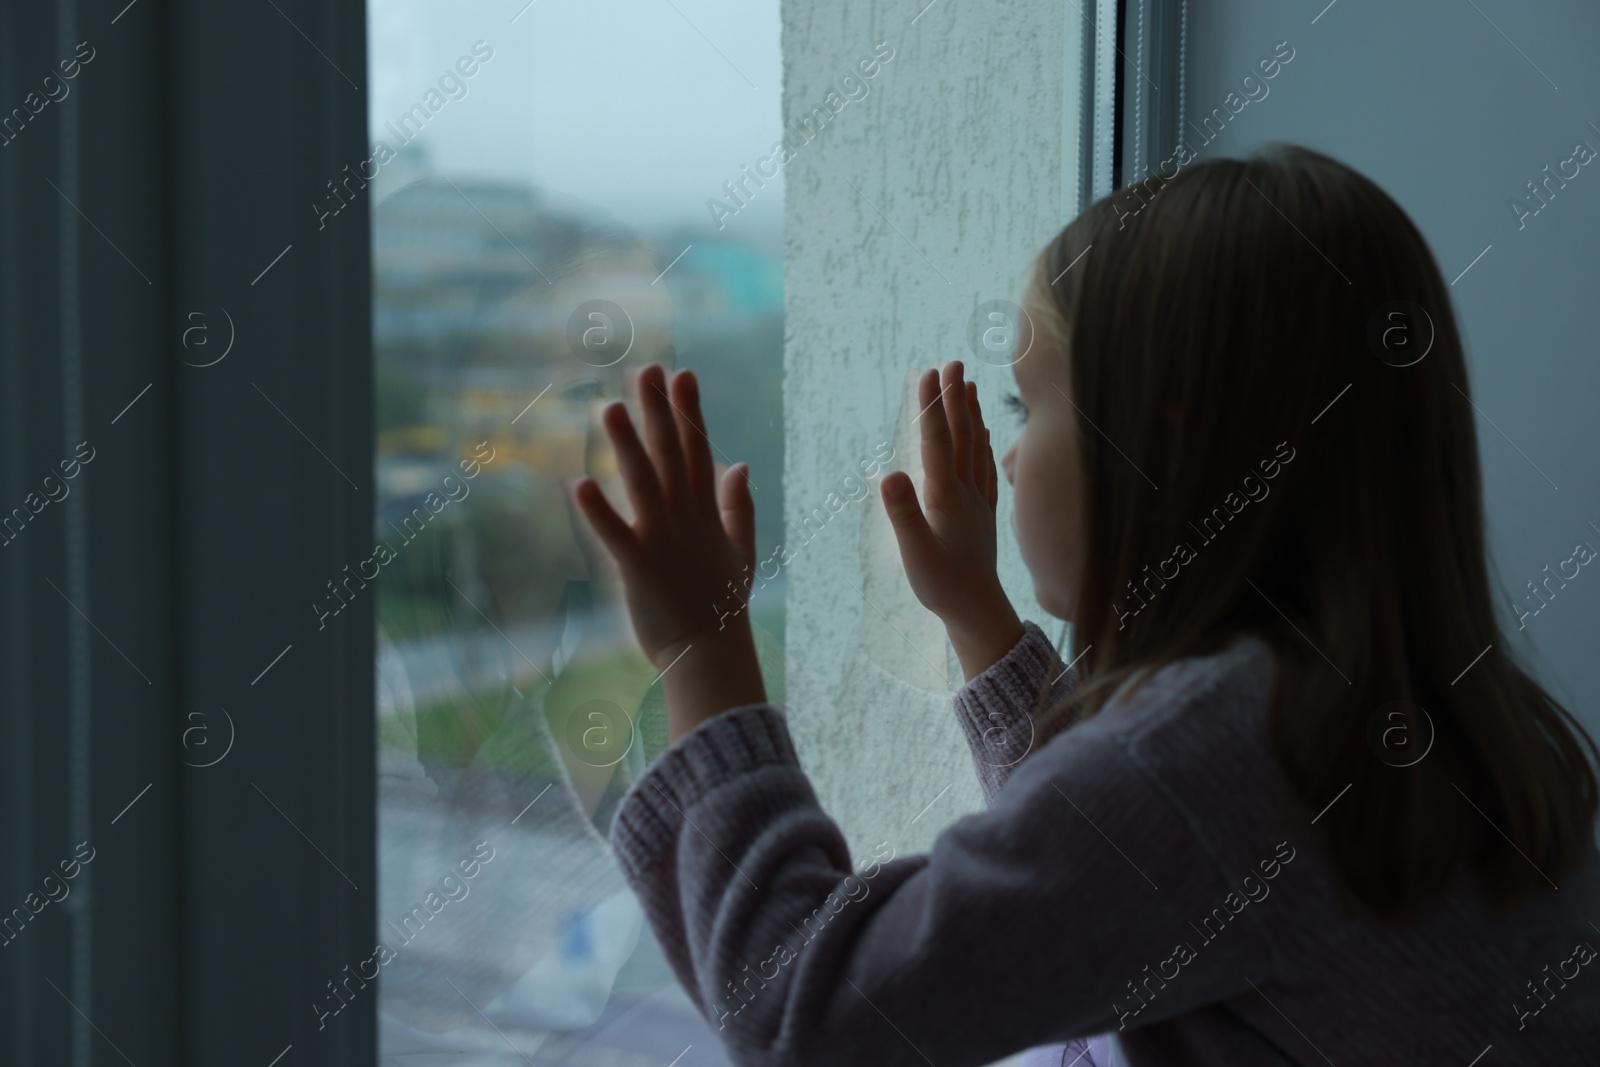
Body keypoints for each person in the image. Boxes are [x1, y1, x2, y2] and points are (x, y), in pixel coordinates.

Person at [569, 144, 1600, 1065]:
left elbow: (812, 1013)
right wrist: (979, 616)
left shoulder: (1241, 751)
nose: (1009, 455)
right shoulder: (1409, 711)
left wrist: (703, 651)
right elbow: (1120, 883)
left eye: (1029, 400)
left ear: (1157, 444)